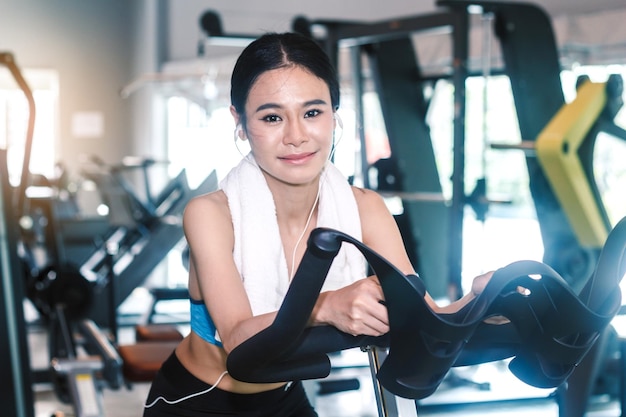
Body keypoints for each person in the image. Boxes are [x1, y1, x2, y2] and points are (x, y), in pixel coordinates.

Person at [143, 31, 493, 417]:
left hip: (284, 397)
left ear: (334, 115)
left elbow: (423, 318)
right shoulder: (211, 214)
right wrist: (325, 306)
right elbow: (238, 336)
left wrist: (480, 302)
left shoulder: (365, 208)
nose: (296, 136)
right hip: (197, 399)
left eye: (312, 112)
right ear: (239, 122)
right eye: (272, 117)